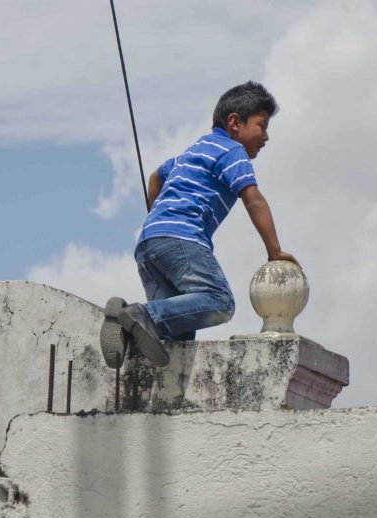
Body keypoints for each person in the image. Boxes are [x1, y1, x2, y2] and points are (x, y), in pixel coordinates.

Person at [100, 81, 298, 367]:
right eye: (262, 125)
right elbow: (254, 200)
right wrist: (274, 251)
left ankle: (128, 329)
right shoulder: (232, 152)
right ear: (234, 122)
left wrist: (157, 218)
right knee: (219, 301)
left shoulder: (196, 149)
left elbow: (156, 176)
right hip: (182, 239)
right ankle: (139, 315)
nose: (266, 137)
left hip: (149, 243)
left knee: (177, 335)